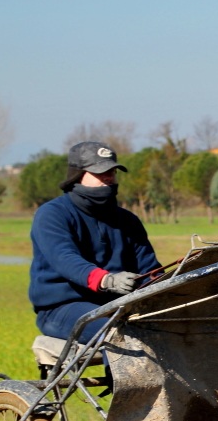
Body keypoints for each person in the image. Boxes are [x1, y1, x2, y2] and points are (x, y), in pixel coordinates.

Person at [29, 141, 160, 342]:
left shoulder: (128, 220)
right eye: (100, 173)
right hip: (63, 308)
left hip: (119, 305)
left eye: (112, 172)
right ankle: (116, 375)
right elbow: (65, 259)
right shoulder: (52, 214)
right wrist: (106, 280)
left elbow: (150, 270)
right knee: (119, 332)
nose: (108, 178)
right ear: (77, 175)